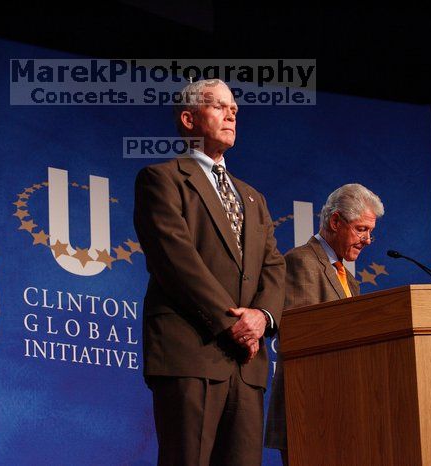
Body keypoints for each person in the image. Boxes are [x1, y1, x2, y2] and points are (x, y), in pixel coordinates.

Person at [133, 79, 285, 465]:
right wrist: (230, 321)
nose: (231, 113)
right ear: (188, 119)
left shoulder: (253, 197)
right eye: (218, 106)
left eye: (233, 108)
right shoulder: (162, 179)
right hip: (191, 351)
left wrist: (261, 318)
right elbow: (176, 260)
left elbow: (274, 266)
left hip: (247, 362)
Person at [264, 183, 384, 465]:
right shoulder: (302, 261)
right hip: (310, 410)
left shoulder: (350, 280)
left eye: (371, 232)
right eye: (361, 229)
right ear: (334, 221)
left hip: (343, 408)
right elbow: (302, 337)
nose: (367, 240)